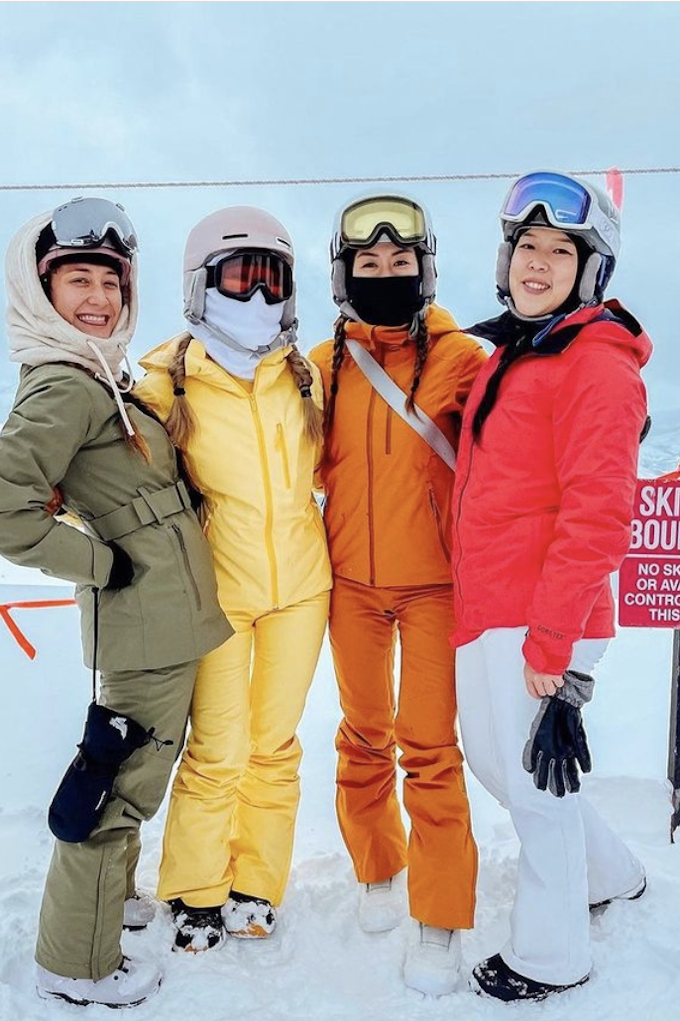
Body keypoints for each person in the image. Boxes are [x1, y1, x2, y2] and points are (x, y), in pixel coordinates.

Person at [0, 197, 232, 1007]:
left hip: (162, 624)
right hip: (143, 628)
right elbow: (4, 503)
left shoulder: (99, 374)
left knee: (132, 774)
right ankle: (77, 965)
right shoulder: (65, 385)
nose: (97, 296)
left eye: (110, 280)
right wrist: (101, 563)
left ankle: (109, 906)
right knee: (114, 788)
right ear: (41, 290)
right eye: (77, 280)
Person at [450, 171, 650, 1002]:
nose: (538, 263)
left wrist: (555, 643)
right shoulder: (524, 351)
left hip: (538, 611)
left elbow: (600, 511)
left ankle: (551, 954)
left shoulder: (596, 362)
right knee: (504, 766)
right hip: (492, 603)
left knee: (534, 789)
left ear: (588, 267)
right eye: (526, 247)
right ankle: (610, 871)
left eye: (558, 251)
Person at [134, 206, 332, 952]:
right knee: (218, 745)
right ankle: (194, 888)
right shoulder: (165, 384)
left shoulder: (304, 375)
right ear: (200, 284)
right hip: (216, 592)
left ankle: (256, 882)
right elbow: (120, 485)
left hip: (302, 589)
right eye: (238, 278)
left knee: (274, 743)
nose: (255, 298)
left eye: (270, 279)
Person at [309, 194, 486, 995]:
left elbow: (519, 426)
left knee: (431, 747)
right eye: (369, 265)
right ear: (346, 277)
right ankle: (379, 864)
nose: (386, 274)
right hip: (351, 583)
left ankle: (440, 914)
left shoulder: (462, 358)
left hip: (435, 586)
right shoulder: (321, 364)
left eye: (400, 263)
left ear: (425, 269)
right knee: (362, 731)